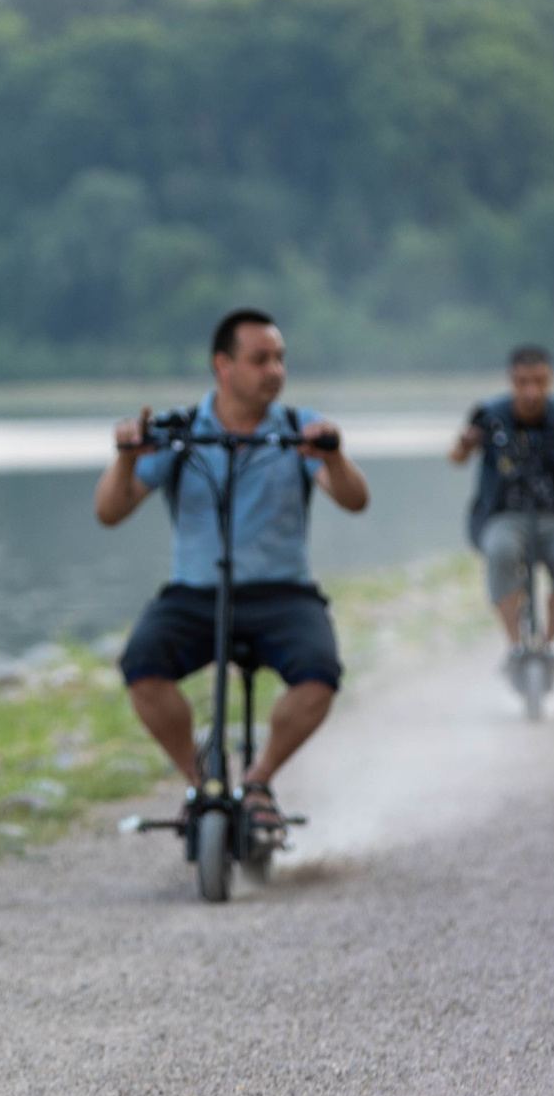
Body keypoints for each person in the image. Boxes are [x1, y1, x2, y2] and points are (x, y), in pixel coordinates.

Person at [96, 310, 369, 830]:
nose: (275, 371)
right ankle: (200, 783)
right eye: (260, 359)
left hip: (282, 593)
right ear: (223, 365)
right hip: (195, 593)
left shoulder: (296, 429)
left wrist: (333, 457)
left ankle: (259, 781)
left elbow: (354, 500)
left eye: (280, 359)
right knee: (142, 666)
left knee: (319, 675)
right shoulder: (179, 432)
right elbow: (110, 511)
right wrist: (126, 457)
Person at [450, 344, 554, 676]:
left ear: (550, 380)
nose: (531, 391)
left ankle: (547, 646)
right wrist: (466, 443)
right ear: (512, 381)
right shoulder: (489, 414)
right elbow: (457, 456)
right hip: (504, 515)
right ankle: (516, 646)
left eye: (539, 381)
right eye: (523, 382)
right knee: (500, 552)